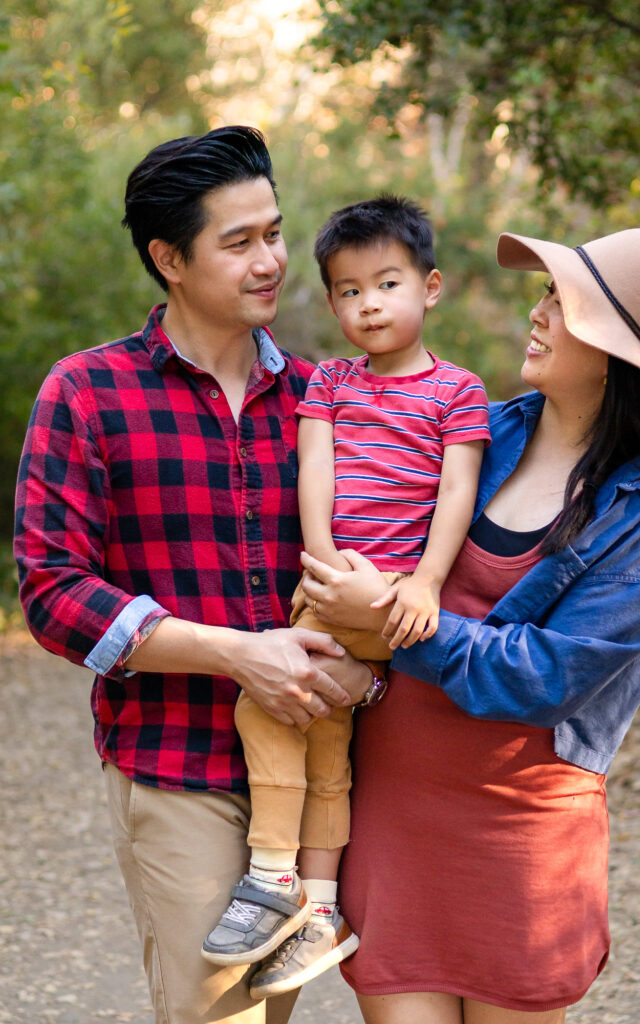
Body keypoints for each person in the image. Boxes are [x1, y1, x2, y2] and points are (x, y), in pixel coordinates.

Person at [298, 227, 640, 1023]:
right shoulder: (485, 430)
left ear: (615, 350)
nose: (539, 312)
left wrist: (388, 629)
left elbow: (545, 676)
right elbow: (361, 507)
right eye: (548, 294)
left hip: (522, 838)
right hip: (397, 808)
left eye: (565, 303)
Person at [13, 125, 374, 1024]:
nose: (273, 261)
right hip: (179, 764)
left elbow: (391, 551)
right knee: (220, 1019)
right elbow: (55, 593)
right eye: (240, 242)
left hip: (330, 764)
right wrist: (239, 655)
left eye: (276, 233)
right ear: (169, 258)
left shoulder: (325, 400)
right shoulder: (88, 393)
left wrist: (366, 667)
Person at [203, 195, 491, 998]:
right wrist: (324, 565)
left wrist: (424, 582)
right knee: (321, 742)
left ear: (429, 288)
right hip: (328, 588)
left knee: (268, 707)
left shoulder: (459, 392)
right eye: (349, 290)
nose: (368, 304)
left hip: (399, 599)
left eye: (386, 284)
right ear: (331, 301)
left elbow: (457, 492)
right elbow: (315, 474)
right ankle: (322, 906)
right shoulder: (329, 381)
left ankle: (271, 875)